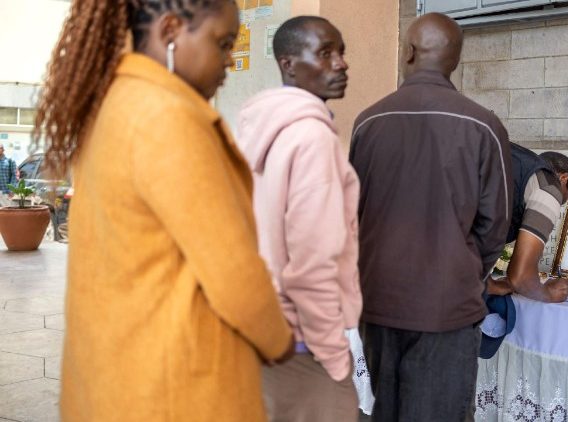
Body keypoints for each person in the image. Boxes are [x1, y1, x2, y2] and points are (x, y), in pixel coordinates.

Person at [32, 1, 293, 420]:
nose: (228, 60)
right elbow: (234, 273)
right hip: (177, 389)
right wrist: (280, 341)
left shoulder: (113, 103)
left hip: (119, 377)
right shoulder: (170, 118)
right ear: (170, 30)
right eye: (222, 43)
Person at [349, 12, 513, 421]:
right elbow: (496, 226)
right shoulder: (484, 125)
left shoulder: (367, 122)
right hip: (446, 305)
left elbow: (352, 214)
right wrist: (464, 272)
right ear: (455, 62)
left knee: (386, 412)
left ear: (407, 52)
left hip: (378, 301)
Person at [236, 16, 361, 421]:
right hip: (303, 344)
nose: (341, 64)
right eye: (325, 53)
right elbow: (311, 263)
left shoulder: (258, 128)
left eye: (341, 52)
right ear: (289, 64)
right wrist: (335, 356)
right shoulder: (312, 139)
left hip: (259, 332)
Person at [480, 146, 568, 361]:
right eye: (562, 202)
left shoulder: (506, 161)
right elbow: (521, 278)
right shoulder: (548, 185)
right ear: (563, 178)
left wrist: (488, 283)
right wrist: (548, 293)